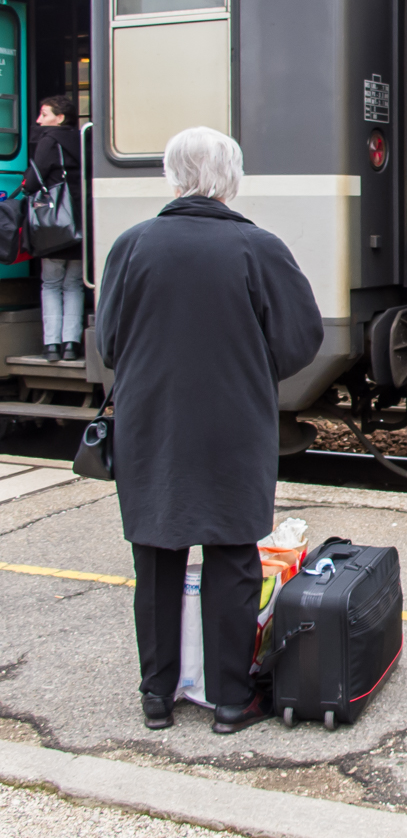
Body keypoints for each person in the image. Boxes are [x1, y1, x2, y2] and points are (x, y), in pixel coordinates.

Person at [96, 127, 323, 734]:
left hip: (152, 423)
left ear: (172, 178)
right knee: (233, 556)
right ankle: (229, 700)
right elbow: (303, 339)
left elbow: (109, 343)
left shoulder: (132, 246)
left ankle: (156, 695)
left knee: (157, 557)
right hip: (233, 422)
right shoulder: (258, 247)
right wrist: (252, 365)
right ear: (232, 180)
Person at [21, 94, 83, 361]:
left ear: (59, 118)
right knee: (74, 285)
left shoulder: (48, 141)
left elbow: (34, 183)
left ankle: (52, 345)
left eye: (44, 114)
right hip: (80, 223)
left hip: (55, 225)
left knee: (51, 283)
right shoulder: (86, 139)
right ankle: (72, 343)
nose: (38, 120)